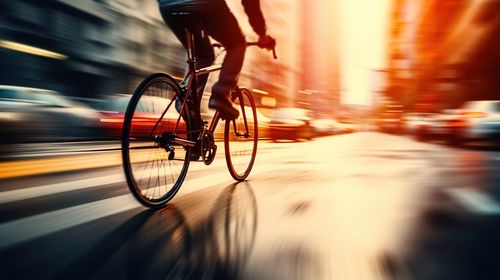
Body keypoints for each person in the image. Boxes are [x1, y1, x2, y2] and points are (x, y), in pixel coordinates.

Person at [158, 0, 276, 125]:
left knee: (202, 55)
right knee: (237, 44)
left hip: (167, 5)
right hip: (204, 4)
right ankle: (221, 94)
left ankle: (188, 104)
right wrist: (262, 34)